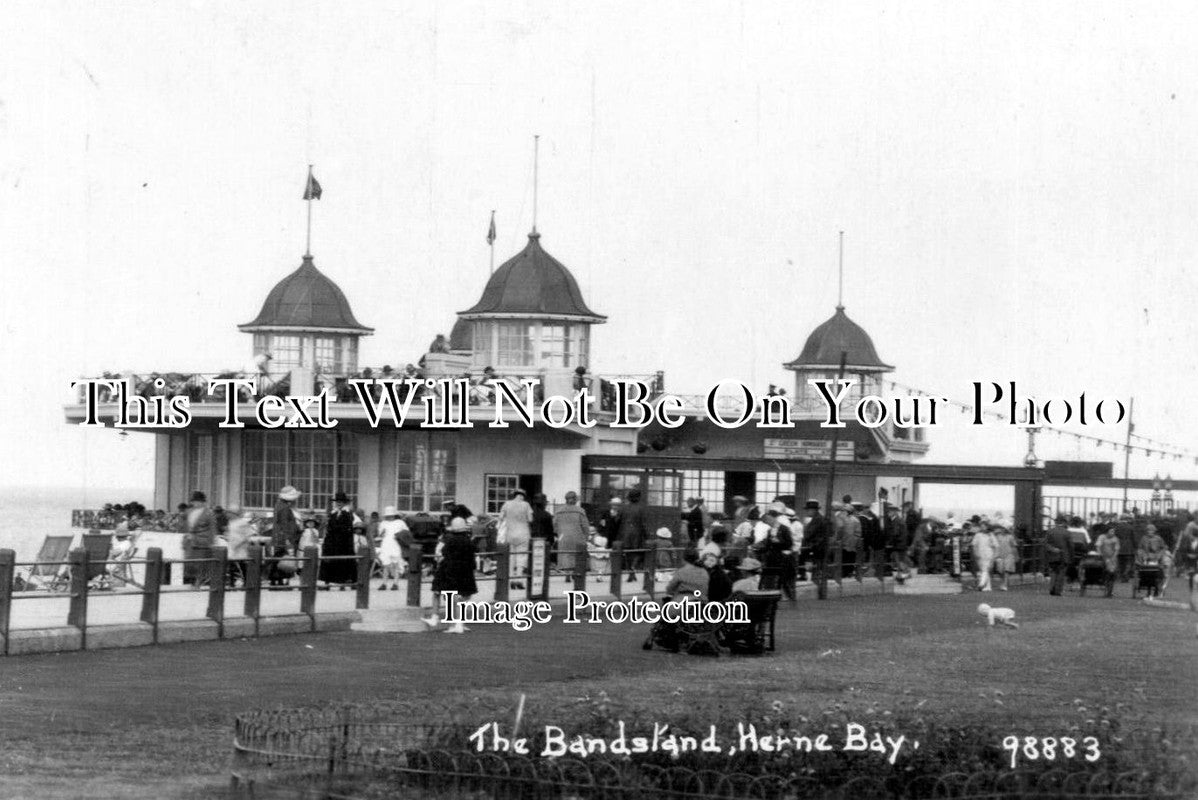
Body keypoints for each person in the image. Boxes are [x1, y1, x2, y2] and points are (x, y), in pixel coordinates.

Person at [424, 518, 478, 633]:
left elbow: (444, 553)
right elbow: (473, 555)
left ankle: (441, 620)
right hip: (466, 571)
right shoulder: (469, 541)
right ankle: (458, 624)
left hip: (449, 570)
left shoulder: (450, 540)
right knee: (461, 598)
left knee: (442, 594)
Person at [320, 492, 359, 589]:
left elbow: (346, 528)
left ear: (345, 503)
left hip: (343, 541)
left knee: (344, 561)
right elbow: (329, 527)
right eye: (337, 501)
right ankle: (327, 582)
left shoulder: (347, 513)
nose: (339, 503)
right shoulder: (333, 513)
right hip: (332, 540)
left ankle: (344, 582)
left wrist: (336, 529)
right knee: (329, 560)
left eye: (341, 501)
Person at [755, 510, 796, 601]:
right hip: (772, 558)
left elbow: (789, 544)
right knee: (771, 578)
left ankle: (788, 596)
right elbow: (768, 545)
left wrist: (779, 543)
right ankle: (774, 595)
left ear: (773, 518)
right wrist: (759, 549)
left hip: (782, 558)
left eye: (768, 519)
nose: (768, 522)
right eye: (766, 521)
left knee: (783, 578)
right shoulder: (770, 531)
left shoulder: (784, 529)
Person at [498, 489, 533, 590]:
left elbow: (501, 517)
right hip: (523, 533)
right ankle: (519, 580)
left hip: (510, 533)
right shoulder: (526, 505)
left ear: (514, 495)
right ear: (523, 496)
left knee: (511, 557)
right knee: (521, 557)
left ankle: (511, 580)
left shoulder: (506, 504)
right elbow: (530, 519)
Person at [553, 492, 590, 580]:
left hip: (563, 536)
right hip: (577, 536)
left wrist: (559, 533)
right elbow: (585, 526)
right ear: (575, 500)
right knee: (576, 555)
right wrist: (586, 537)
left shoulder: (558, 511)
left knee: (565, 555)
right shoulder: (580, 511)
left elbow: (554, 525)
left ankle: (567, 574)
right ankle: (574, 572)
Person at [270, 486, 302, 587]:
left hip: (278, 537)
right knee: (282, 560)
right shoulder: (285, 508)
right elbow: (285, 525)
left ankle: (275, 581)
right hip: (283, 538)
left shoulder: (278, 505)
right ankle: (277, 580)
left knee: (278, 559)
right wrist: (288, 538)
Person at [186, 490, 217, 587]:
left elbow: (212, 528)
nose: (194, 503)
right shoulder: (190, 512)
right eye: (193, 501)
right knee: (191, 563)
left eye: (196, 501)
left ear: (202, 502)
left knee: (201, 563)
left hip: (203, 541)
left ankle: (198, 582)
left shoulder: (209, 513)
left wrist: (211, 541)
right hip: (192, 540)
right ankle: (193, 581)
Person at [618, 489, 649, 583]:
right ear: (638, 497)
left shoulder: (623, 508)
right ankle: (634, 567)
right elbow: (644, 524)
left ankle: (631, 573)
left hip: (625, 533)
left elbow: (618, 520)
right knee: (638, 552)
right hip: (637, 533)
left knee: (627, 554)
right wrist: (647, 535)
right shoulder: (641, 508)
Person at [376, 506, 408, 591]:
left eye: (391, 515)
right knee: (385, 564)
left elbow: (406, 533)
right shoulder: (383, 523)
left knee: (396, 564)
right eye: (388, 515)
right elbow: (380, 534)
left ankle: (395, 583)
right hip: (386, 544)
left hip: (396, 544)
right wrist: (381, 533)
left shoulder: (400, 522)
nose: (389, 517)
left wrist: (400, 536)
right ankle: (384, 583)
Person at [224, 508, 252, 588]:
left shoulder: (242, 523)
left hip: (241, 548)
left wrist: (240, 544)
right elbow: (230, 533)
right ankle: (232, 582)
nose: (228, 515)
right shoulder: (231, 522)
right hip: (232, 547)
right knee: (232, 566)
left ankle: (247, 582)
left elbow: (247, 535)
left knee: (242, 565)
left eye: (229, 513)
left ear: (234, 513)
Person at [1045, 514, 1072, 596]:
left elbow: (1045, 543)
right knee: (1061, 573)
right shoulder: (1067, 533)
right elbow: (1071, 546)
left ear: (1055, 522)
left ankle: (1051, 588)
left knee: (1053, 572)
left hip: (1053, 556)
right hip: (1064, 556)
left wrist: (1052, 549)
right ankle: (1058, 590)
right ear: (1064, 523)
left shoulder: (1050, 531)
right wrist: (1071, 556)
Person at [1095, 524, 1121, 597]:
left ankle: (1109, 590)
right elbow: (1098, 546)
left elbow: (1117, 550)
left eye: (1113, 531)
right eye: (1111, 531)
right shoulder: (1102, 537)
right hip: (1102, 557)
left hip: (1112, 558)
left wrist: (1113, 557)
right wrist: (1100, 554)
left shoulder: (1115, 539)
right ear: (1107, 532)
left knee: (1112, 572)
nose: (1113, 533)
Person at [971, 524, 997, 592]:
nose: (983, 528)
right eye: (982, 526)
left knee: (985, 569)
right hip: (980, 554)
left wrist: (994, 555)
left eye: (984, 526)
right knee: (984, 570)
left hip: (989, 554)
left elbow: (996, 545)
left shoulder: (991, 535)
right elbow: (974, 545)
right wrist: (975, 552)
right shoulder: (978, 535)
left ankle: (981, 584)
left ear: (987, 527)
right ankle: (988, 586)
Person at [992, 525, 1017, 591]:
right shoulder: (997, 536)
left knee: (1007, 570)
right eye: (1002, 529)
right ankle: (1004, 582)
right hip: (999, 555)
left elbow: (1014, 546)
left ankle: (1005, 584)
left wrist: (1016, 555)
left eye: (1005, 529)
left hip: (1009, 555)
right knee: (1000, 570)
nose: (1003, 530)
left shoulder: (1010, 537)